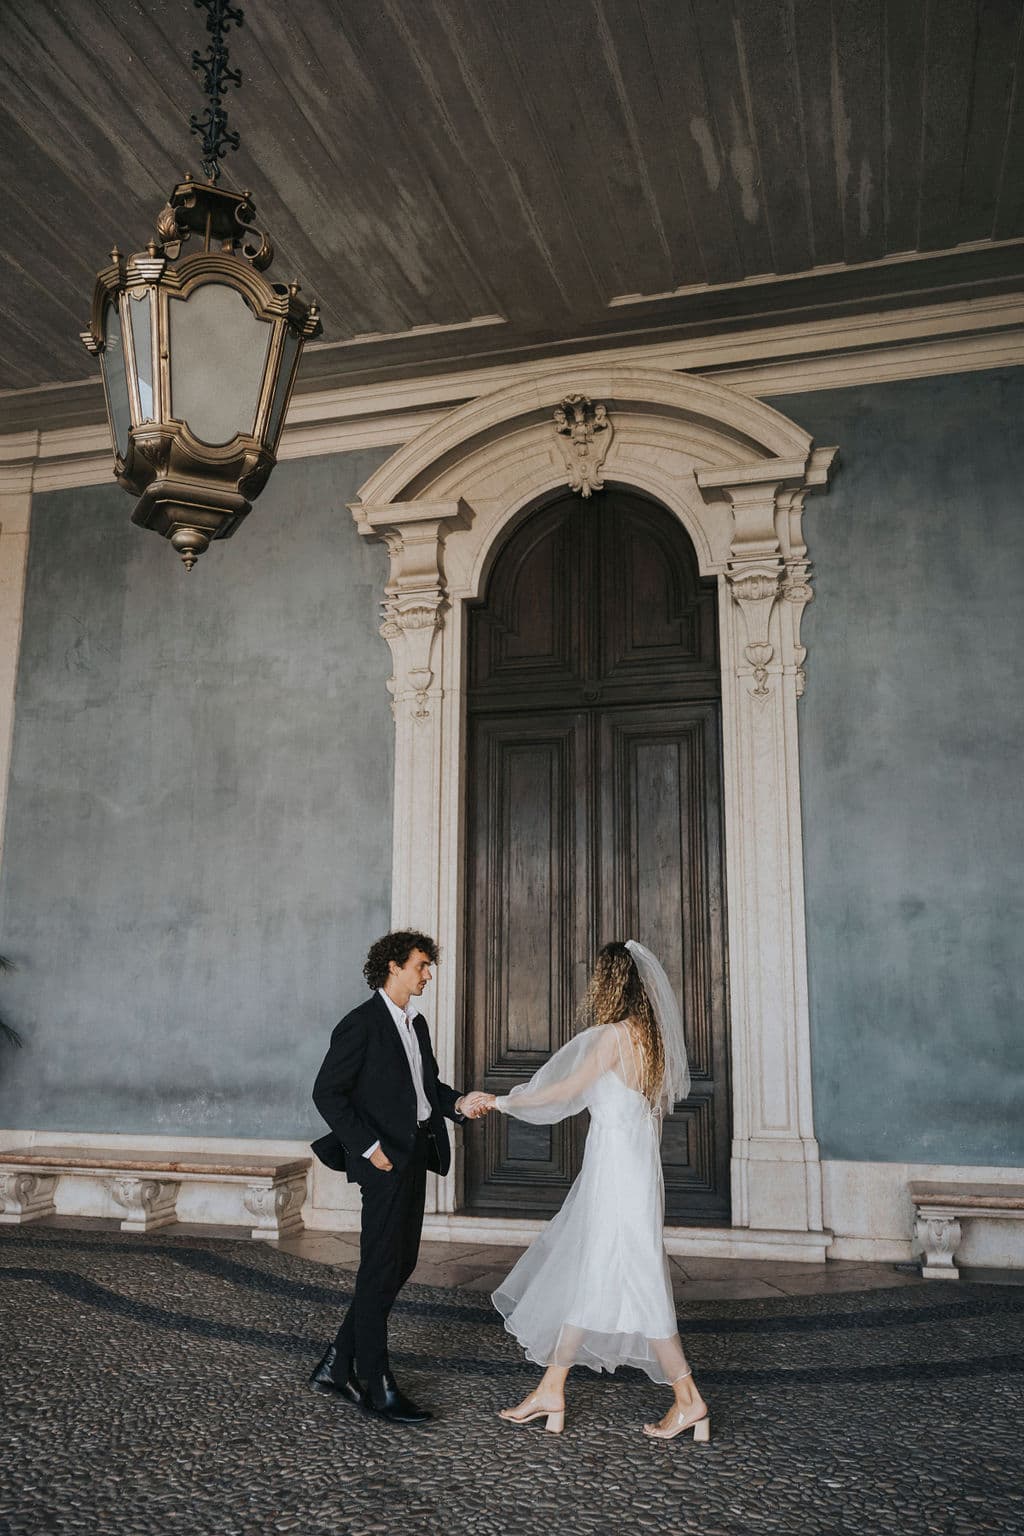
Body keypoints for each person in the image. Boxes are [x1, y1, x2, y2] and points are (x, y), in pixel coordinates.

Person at [478, 940, 710, 1441]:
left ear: (610, 984)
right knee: (595, 1274)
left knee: (640, 1283)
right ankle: (551, 1388)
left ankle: (689, 1399)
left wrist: (499, 1102)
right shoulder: (651, 1041)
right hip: (633, 1171)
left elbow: (560, 1093)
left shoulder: (611, 1038)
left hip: (617, 1175)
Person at [308, 930, 491, 1424]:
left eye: (428, 965)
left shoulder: (417, 1023)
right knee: (379, 1266)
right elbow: (327, 1094)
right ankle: (374, 1381)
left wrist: (458, 1103)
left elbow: (425, 1087)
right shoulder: (361, 1024)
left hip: (415, 1153)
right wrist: (370, 1149)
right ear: (393, 966)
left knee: (399, 1263)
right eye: (421, 965)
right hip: (383, 1162)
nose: (428, 974)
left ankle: (336, 1364)